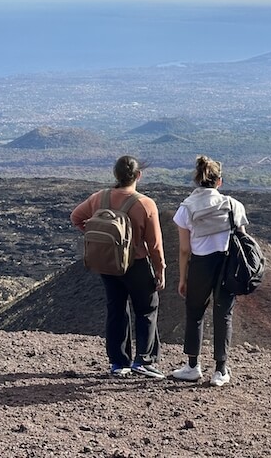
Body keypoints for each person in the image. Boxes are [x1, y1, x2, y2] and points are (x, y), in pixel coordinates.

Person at [70, 155, 166, 379]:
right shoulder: (144, 203)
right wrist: (160, 269)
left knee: (116, 310)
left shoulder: (98, 198)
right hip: (137, 264)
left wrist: (102, 242)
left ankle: (118, 362)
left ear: (115, 175)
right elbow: (155, 244)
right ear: (138, 175)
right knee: (147, 310)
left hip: (108, 264)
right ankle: (144, 360)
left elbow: (76, 217)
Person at [171, 155, 249, 387]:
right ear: (219, 182)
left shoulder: (186, 208)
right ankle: (220, 370)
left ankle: (193, 366)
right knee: (223, 314)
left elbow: (185, 249)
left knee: (195, 313)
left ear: (196, 180)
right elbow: (243, 240)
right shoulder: (234, 205)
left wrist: (183, 278)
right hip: (227, 265)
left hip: (200, 265)